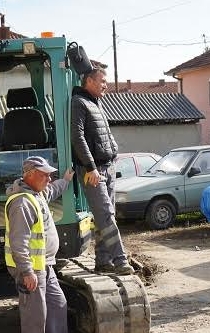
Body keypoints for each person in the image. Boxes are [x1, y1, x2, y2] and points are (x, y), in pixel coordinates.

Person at [5, 156, 85, 333]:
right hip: (31, 267)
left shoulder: (37, 193)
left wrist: (66, 180)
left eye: (50, 174)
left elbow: (53, 190)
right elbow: (18, 242)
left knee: (58, 304)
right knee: (35, 312)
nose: (49, 178)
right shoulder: (22, 202)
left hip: (45, 264)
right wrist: (27, 272)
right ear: (29, 175)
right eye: (45, 174)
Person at [71, 67, 134, 275]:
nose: (106, 84)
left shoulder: (95, 103)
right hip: (93, 171)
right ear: (89, 81)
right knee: (106, 215)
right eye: (103, 80)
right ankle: (120, 261)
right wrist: (90, 167)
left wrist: (113, 151)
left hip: (107, 167)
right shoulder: (79, 103)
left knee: (105, 217)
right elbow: (77, 137)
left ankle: (103, 261)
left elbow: (104, 134)